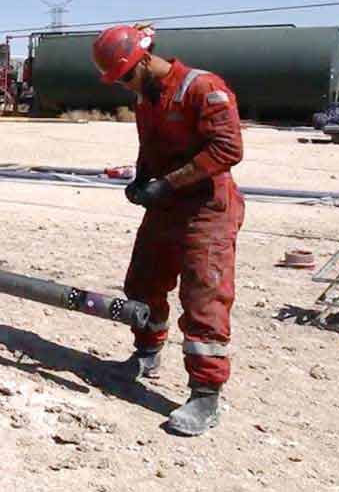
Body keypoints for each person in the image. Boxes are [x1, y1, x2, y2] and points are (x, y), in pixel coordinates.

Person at [92, 25, 244, 436]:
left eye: (125, 76)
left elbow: (228, 150)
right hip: (166, 206)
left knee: (203, 298)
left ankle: (205, 394)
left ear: (142, 61)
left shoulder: (203, 87)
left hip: (206, 210)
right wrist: (142, 180)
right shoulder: (148, 98)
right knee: (142, 282)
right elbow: (150, 147)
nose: (124, 86)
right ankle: (146, 354)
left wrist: (169, 183)